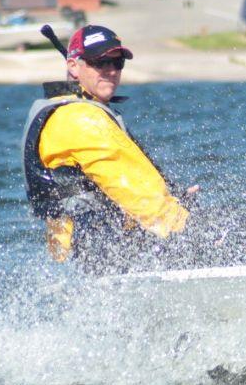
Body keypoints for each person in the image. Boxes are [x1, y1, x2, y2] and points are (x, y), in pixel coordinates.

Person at [21, 25, 197, 274]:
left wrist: (178, 199)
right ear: (73, 66)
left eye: (117, 62)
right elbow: (135, 191)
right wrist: (190, 228)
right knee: (234, 226)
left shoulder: (77, 110)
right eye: (99, 63)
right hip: (99, 252)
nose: (111, 71)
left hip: (89, 253)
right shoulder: (80, 119)